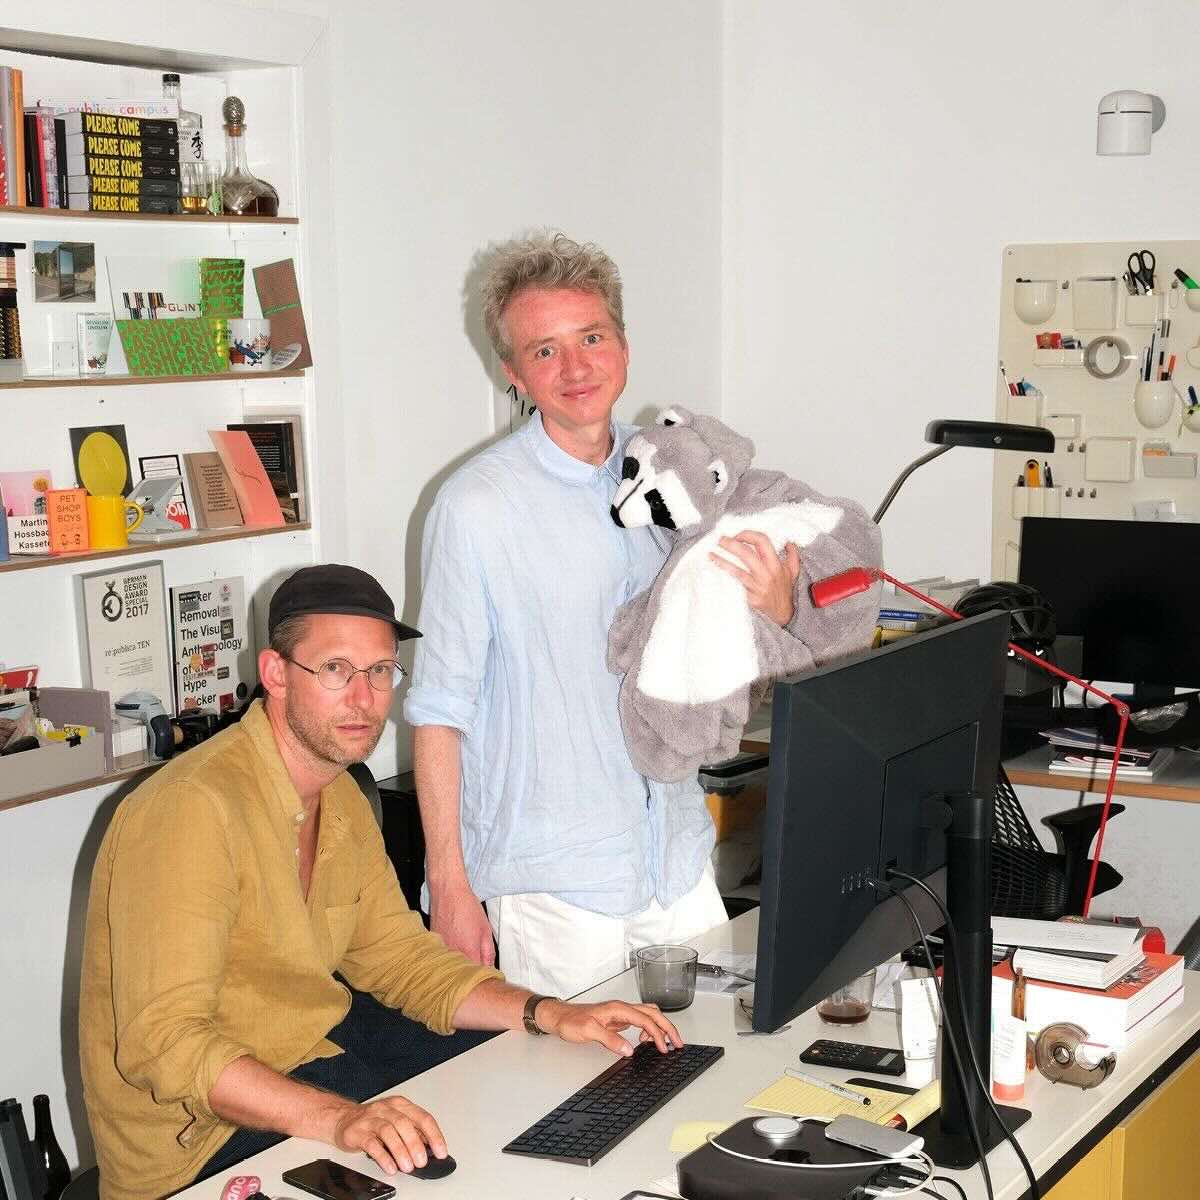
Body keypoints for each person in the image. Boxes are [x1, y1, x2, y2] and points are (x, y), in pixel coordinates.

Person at [79, 564, 682, 1200]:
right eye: (336, 669)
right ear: (277, 673)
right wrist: (340, 1118)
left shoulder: (337, 791)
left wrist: (549, 1011)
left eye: (380, 672)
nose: (365, 700)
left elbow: (399, 958)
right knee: (452, 1165)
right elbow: (164, 1045)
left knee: (534, 1092)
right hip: (196, 1141)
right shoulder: (190, 809)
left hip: (311, 1053)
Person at [405, 232, 803, 1000]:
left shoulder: (679, 473)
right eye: (545, 351)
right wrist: (449, 887)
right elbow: (440, 709)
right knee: (582, 1104)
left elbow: (728, 641)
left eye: (591, 337)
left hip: (676, 853)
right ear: (513, 374)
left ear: (622, 344)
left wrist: (776, 605)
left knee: (710, 1073)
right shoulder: (477, 506)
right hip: (555, 881)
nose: (577, 367)